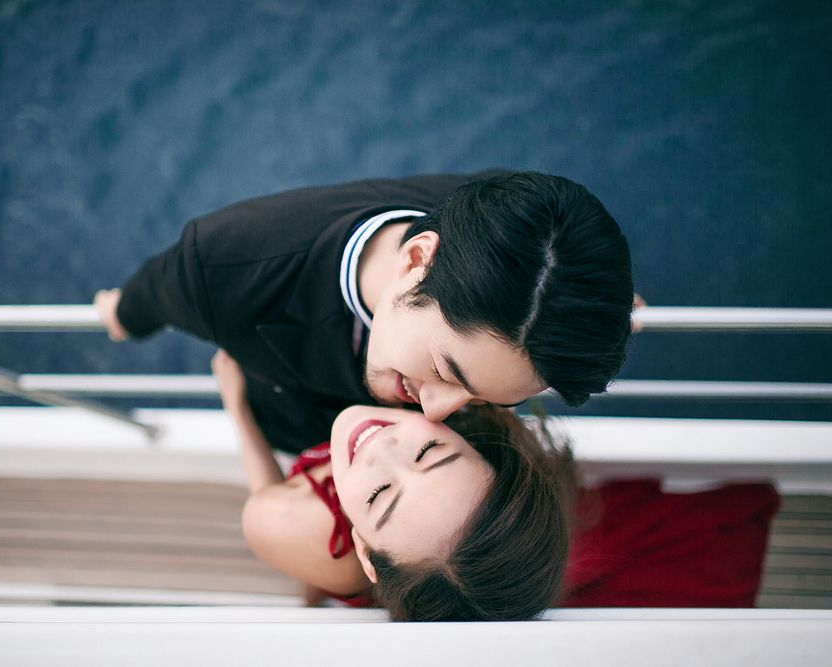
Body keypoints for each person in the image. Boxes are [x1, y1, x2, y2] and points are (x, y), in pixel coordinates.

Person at [95, 170, 634, 453]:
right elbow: (147, 297)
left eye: (486, 398)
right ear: (417, 259)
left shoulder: (520, 228)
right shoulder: (222, 266)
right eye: (446, 370)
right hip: (297, 422)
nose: (437, 415)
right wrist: (123, 314)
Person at [212, 350, 577, 621]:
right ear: (476, 442)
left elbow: (266, 496)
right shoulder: (478, 423)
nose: (381, 447)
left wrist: (236, 406)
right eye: (429, 451)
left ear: (364, 551)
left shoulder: (304, 529)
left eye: (379, 495)